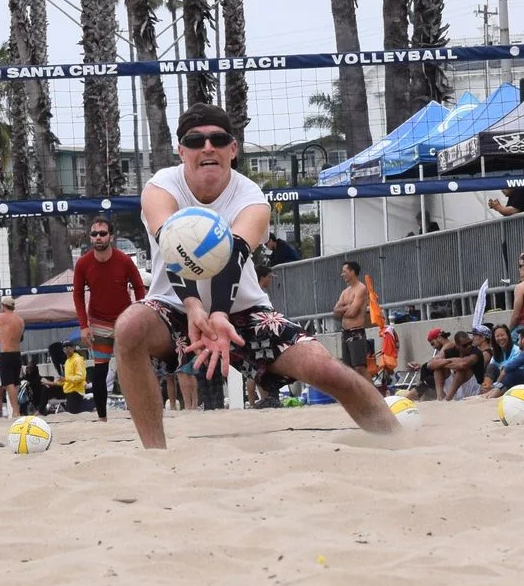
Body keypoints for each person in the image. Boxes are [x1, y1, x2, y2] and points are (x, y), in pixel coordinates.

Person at [107, 104, 396, 449]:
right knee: (129, 327)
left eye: (218, 138)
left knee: (330, 371)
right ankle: (156, 455)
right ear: (181, 151)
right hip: (174, 307)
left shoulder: (250, 197)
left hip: (245, 311)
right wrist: (195, 306)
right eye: (195, 141)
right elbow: (173, 251)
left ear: (233, 148)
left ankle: (398, 442)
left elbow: (232, 260)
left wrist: (216, 312)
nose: (207, 147)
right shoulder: (161, 188)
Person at [70, 216, 146, 422]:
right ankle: (102, 418)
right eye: (94, 234)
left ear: (111, 237)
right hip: (98, 322)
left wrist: (139, 312)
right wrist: (83, 326)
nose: (98, 237)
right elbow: (77, 295)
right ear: (90, 237)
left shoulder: (124, 260)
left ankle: (136, 412)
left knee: (128, 369)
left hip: (124, 321)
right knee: (100, 371)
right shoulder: (83, 263)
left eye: (102, 234)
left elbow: (139, 287)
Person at [334, 260, 374, 376]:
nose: (342, 274)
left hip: (357, 332)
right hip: (345, 332)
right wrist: (347, 307)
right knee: (348, 369)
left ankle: (372, 393)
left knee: (360, 367)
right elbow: (335, 311)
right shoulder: (345, 292)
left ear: (352, 272)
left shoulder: (361, 288)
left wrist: (344, 309)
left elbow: (353, 312)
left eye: (344, 271)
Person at [0, 296, 27, 417]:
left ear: (3, 306)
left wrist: (3, 337)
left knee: (8, 383)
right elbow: (20, 338)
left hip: (6, 353)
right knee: (15, 383)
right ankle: (16, 409)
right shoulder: (20, 320)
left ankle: (16, 410)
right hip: (17, 354)